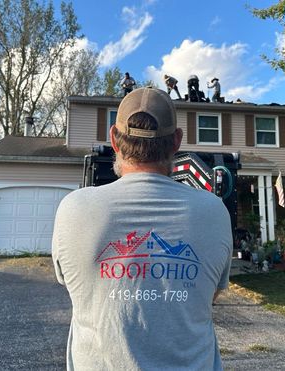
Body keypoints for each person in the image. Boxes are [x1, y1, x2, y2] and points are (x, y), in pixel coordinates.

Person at [52, 87, 232, 370]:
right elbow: (207, 297)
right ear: (176, 142)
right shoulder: (214, 211)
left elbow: (79, 288)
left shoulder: (73, 208)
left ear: (114, 138)